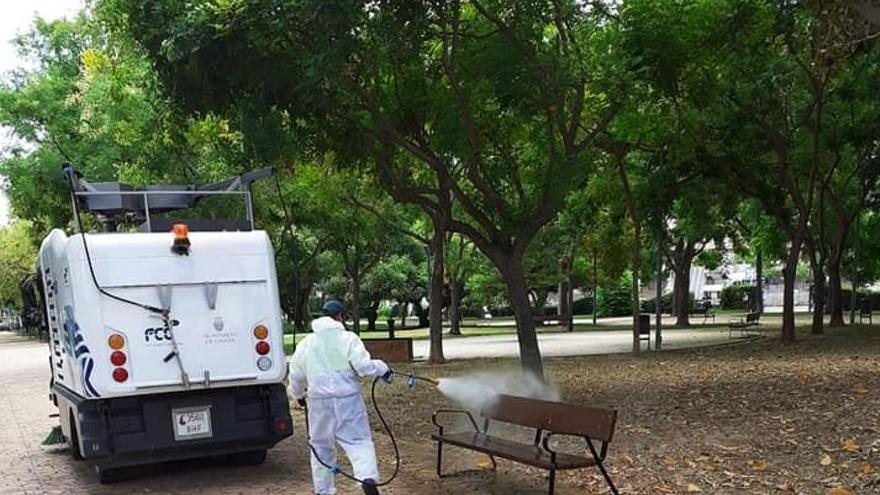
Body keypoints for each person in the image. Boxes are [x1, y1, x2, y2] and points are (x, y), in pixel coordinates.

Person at [289, 299, 392, 495]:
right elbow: (364, 367)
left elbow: (296, 374)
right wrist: (383, 369)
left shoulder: (307, 343)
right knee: (358, 441)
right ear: (340, 316)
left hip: (319, 403)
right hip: (348, 401)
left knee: (321, 447)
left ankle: (323, 490)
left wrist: (298, 395)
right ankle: (367, 478)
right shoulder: (348, 338)